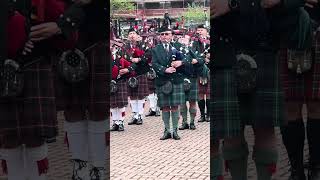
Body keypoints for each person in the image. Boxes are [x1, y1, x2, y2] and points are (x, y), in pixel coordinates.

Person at [211, 0, 310, 179]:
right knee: (231, 134)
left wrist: (234, 4)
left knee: (265, 129)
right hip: (223, 47)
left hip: (262, 44)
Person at [0, 0, 75, 179]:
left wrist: (58, 27)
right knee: (9, 138)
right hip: (4, 68)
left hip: (36, 64)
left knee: (35, 136)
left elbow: (67, 25)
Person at [54, 0, 108, 179]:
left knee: (98, 112)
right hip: (65, 46)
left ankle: (98, 168)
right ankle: (79, 169)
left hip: (97, 42)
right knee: (72, 111)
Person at [279, 1, 320, 179]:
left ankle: (316, 167)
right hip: (287, 34)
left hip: (318, 31)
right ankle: (296, 170)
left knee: (317, 105)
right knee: (290, 107)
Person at [152, 27, 185, 140]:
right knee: (165, 107)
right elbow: (154, 64)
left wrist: (180, 62)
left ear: (171, 36)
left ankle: (175, 130)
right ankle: (167, 130)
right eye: (162, 34)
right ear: (160, 37)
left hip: (176, 80)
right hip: (162, 81)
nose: (164, 36)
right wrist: (164, 70)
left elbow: (187, 60)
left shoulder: (179, 47)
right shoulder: (156, 49)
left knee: (175, 106)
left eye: (167, 34)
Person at [121, 28, 150, 126]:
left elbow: (149, 55)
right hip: (130, 73)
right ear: (128, 36)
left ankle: (140, 116)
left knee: (140, 95)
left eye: (133, 33)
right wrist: (129, 66)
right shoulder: (125, 47)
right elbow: (123, 58)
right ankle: (135, 115)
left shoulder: (143, 45)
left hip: (140, 72)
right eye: (130, 33)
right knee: (133, 96)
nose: (132, 35)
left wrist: (139, 59)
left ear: (137, 36)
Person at [178, 34, 204, 130]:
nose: (183, 40)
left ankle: (192, 122)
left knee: (192, 102)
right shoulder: (176, 50)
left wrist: (196, 60)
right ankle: (184, 122)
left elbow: (202, 61)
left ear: (190, 41)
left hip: (192, 77)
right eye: (182, 38)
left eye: (186, 38)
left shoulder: (195, 50)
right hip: (181, 78)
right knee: (182, 102)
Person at [192, 24, 211, 122]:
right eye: (198, 30)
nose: (199, 31)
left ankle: (208, 115)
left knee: (208, 93)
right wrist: (204, 59)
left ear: (206, 32)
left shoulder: (210, 41)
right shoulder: (195, 42)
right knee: (200, 93)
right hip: (199, 69)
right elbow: (193, 55)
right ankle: (202, 115)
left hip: (209, 69)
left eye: (201, 30)